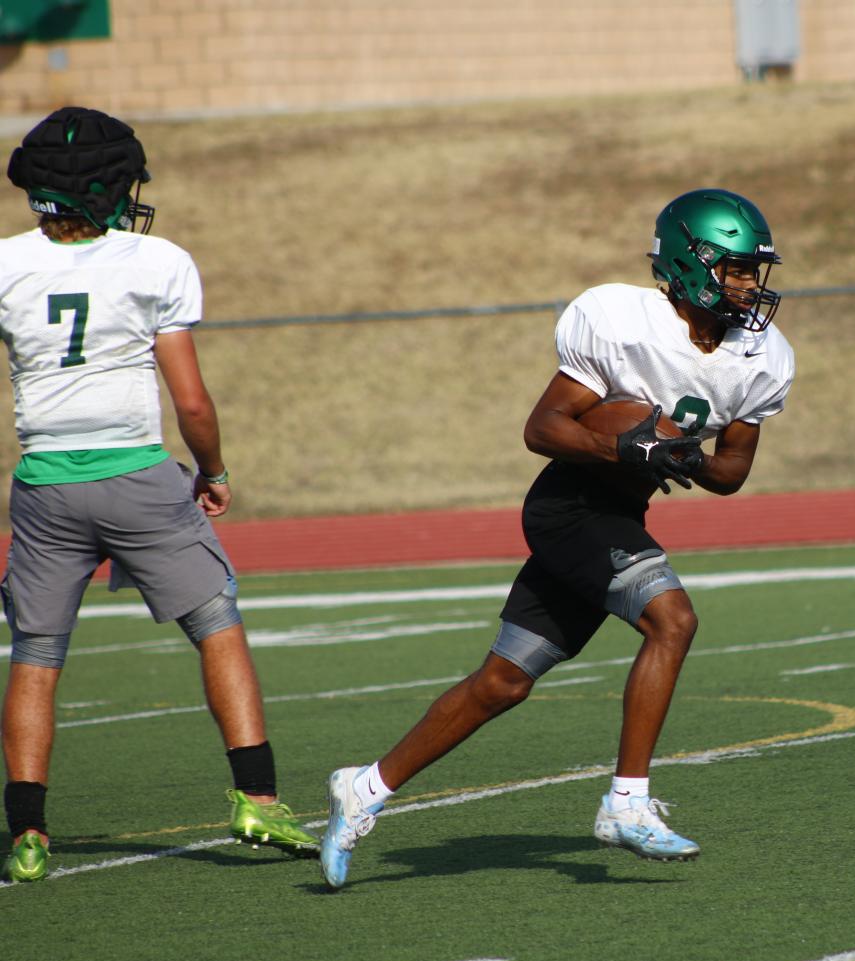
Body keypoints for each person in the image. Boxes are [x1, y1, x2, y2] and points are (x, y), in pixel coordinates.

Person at [319, 188, 794, 889]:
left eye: (754, 271)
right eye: (735, 270)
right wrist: (630, 450)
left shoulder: (760, 355)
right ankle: (626, 802)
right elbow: (542, 429)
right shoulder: (619, 320)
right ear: (690, 265)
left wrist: (680, 455)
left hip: (618, 519)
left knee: (502, 682)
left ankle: (364, 787)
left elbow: (731, 470)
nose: (749, 286)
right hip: (569, 507)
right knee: (673, 619)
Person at [0, 108, 318, 882]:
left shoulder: (6, 264)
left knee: (36, 657)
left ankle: (29, 834)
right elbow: (194, 403)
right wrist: (212, 471)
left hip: (43, 481)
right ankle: (256, 798)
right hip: (138, 473)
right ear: (107, 185)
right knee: (217, 626)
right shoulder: (157, 260)